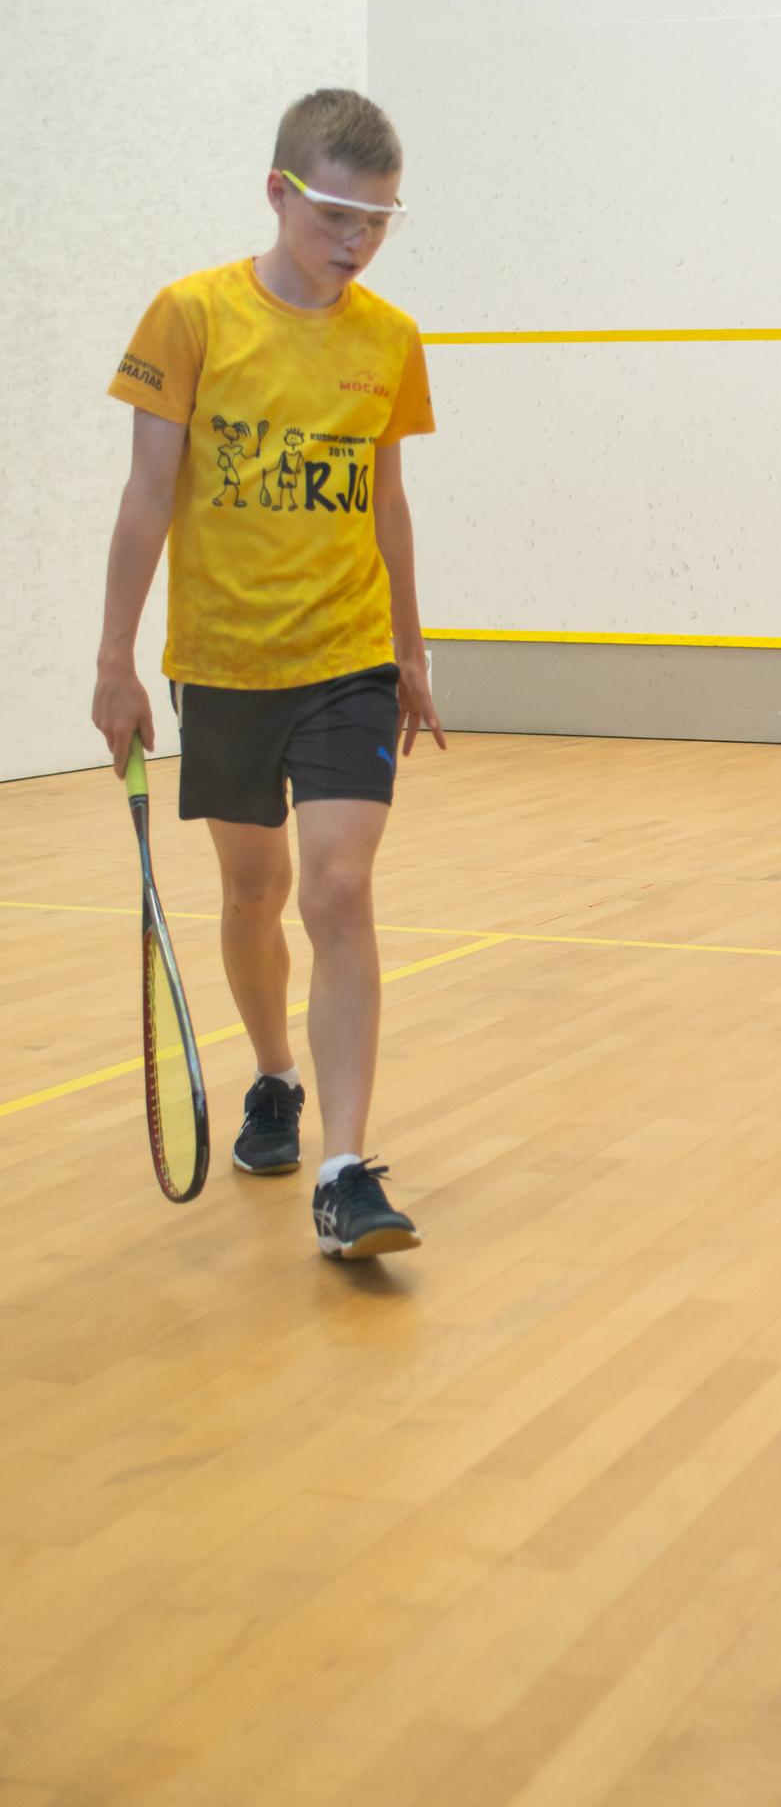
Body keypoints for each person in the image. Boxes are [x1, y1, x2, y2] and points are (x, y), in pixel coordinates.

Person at [92, 88, 444, 1258]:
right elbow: (148, 495)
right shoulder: (191, 316)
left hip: (347, 659)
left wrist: (409, 647)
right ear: (278, 192)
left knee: (337, 889)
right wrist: (115, 660)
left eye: (378, 220)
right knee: (253, 894)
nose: (357, 240)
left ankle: (345, 1171)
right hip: (225, 662)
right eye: (337, 214)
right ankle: (275, 1078)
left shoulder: (389, 338)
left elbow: (388, 503)